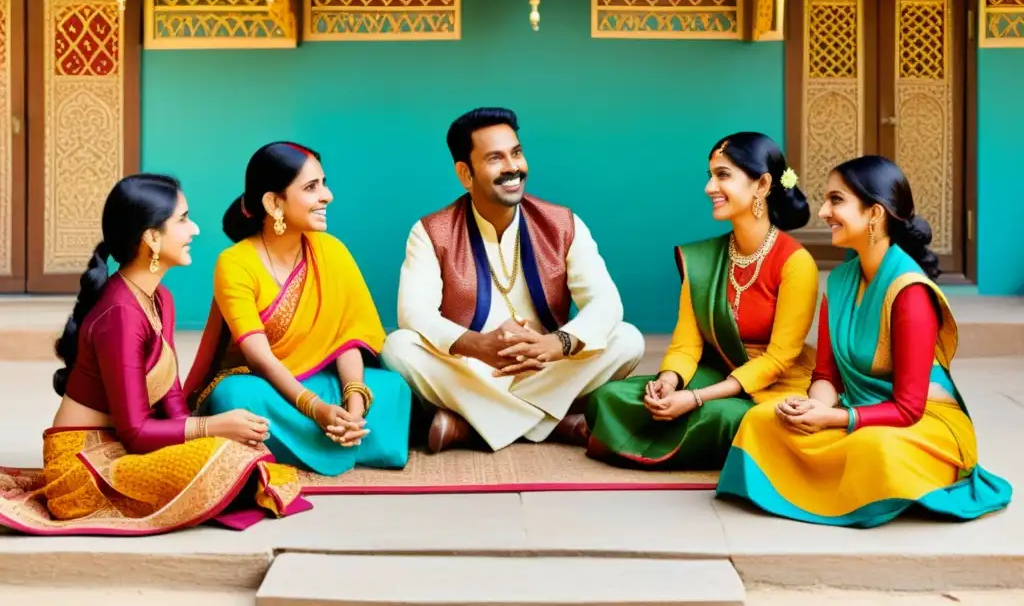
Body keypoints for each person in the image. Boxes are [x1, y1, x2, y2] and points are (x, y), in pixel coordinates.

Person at [0, 174, 309, 535]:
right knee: (231, 459)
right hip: (85, 465)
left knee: (242, 454)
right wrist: (214, 427)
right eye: (182, 219)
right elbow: (135, 432)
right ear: (152, 237)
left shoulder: (161, 299)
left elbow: (172, 399)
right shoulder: (120, 314)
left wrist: (213, 435)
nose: (194, 229)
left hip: (123, 448)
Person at [717, 156, 1013, 526]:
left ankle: (846, 484)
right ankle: (832, 482)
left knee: (875, 449)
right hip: (855, 410)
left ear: (874, 213)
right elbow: (826, 374)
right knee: (762, 419)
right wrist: (813, 410)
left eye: (836, 200)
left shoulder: (909, 291)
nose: (823, 211)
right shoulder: (839, 283)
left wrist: (834, 417)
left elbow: (907, 409)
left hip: (920, 424)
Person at [381, 108, 644, 453]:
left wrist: (559, 343)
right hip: (472, 371)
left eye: (516, 153)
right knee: (398, 347)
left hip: (548, 365)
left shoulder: (562, 223)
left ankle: (471, 427)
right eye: (495, 158)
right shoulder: (431, 232)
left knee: (628, 338)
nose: (512, 168)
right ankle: (557, 424)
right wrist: (478, 346)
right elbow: (414, 313)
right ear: (465, 173)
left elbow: (606, 302)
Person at [585, 132, 818, 470]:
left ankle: (631, 439)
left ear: (763, 185)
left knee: (724, 417)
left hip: (771, 385)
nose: (710, 187)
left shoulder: (796, 263)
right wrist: (668, 383)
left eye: (723, 175)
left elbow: (779, 359)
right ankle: (665, 431)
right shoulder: (704, 259)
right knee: (610, 396)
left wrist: (693, 397)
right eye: (710, 176)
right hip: (715, 371)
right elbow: (686, 344)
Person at [183, 142, 411, 476]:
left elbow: (347, 340)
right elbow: (260, 357)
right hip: (267, 386)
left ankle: (345, 430)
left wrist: (355, 403)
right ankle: (341, 440)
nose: (327, 196)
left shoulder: (331, 250)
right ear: (274, 203)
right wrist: (315, 409)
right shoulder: (234, 264)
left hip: (322, 380)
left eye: (324, 183)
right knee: (233, 398)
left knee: (395, 388)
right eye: (311, 187)